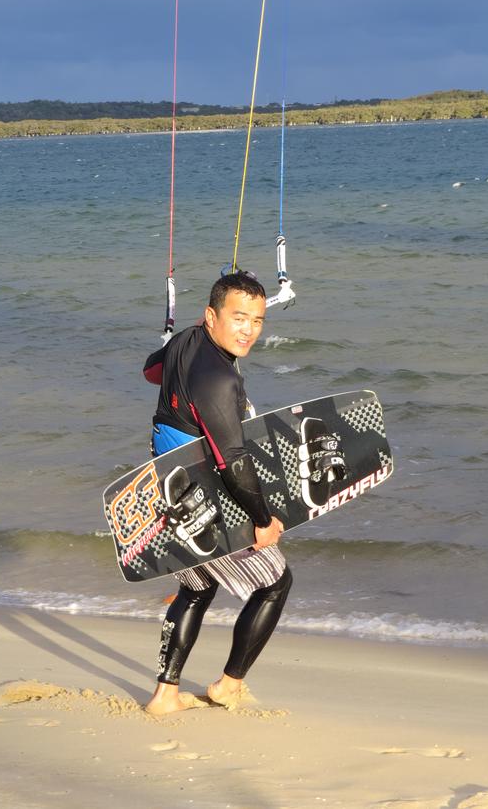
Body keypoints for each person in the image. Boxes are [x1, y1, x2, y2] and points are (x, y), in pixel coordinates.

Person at [142, 272, 292, 715]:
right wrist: (263, 520)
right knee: (274, 583)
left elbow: (150, 371)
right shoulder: (220, 381)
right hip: (203, 494)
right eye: (239, 317)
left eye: (259, 320)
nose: (249, 329)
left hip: (171, 485)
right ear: (212, 315)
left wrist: (176, 357)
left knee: (198, 585)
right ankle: (228, 685)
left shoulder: (186, 340)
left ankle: (166, 694)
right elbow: (233, 462)